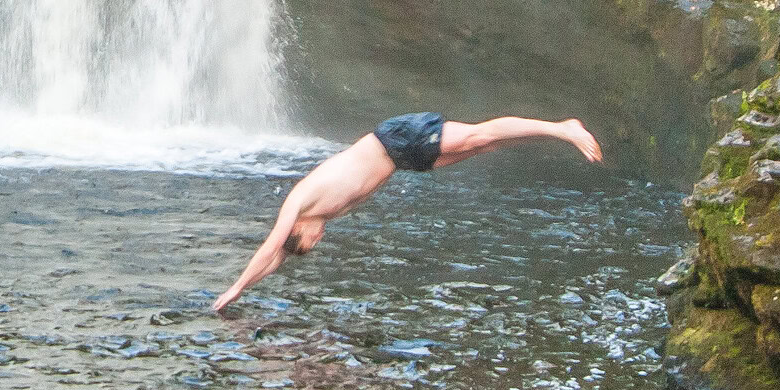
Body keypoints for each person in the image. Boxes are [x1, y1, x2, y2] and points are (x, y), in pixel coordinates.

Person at [212, 113, 605, 312]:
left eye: (311, 241)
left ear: (299, 228)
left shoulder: (300, 201)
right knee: (485, 147)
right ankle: (545, 136)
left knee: (478, 135)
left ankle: (561, 128)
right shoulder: (322, 215)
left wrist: (234, 287)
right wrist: (246, 292)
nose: (320, 240)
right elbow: (276, 260)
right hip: (403, 160)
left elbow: (269, 248)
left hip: (395, 138)